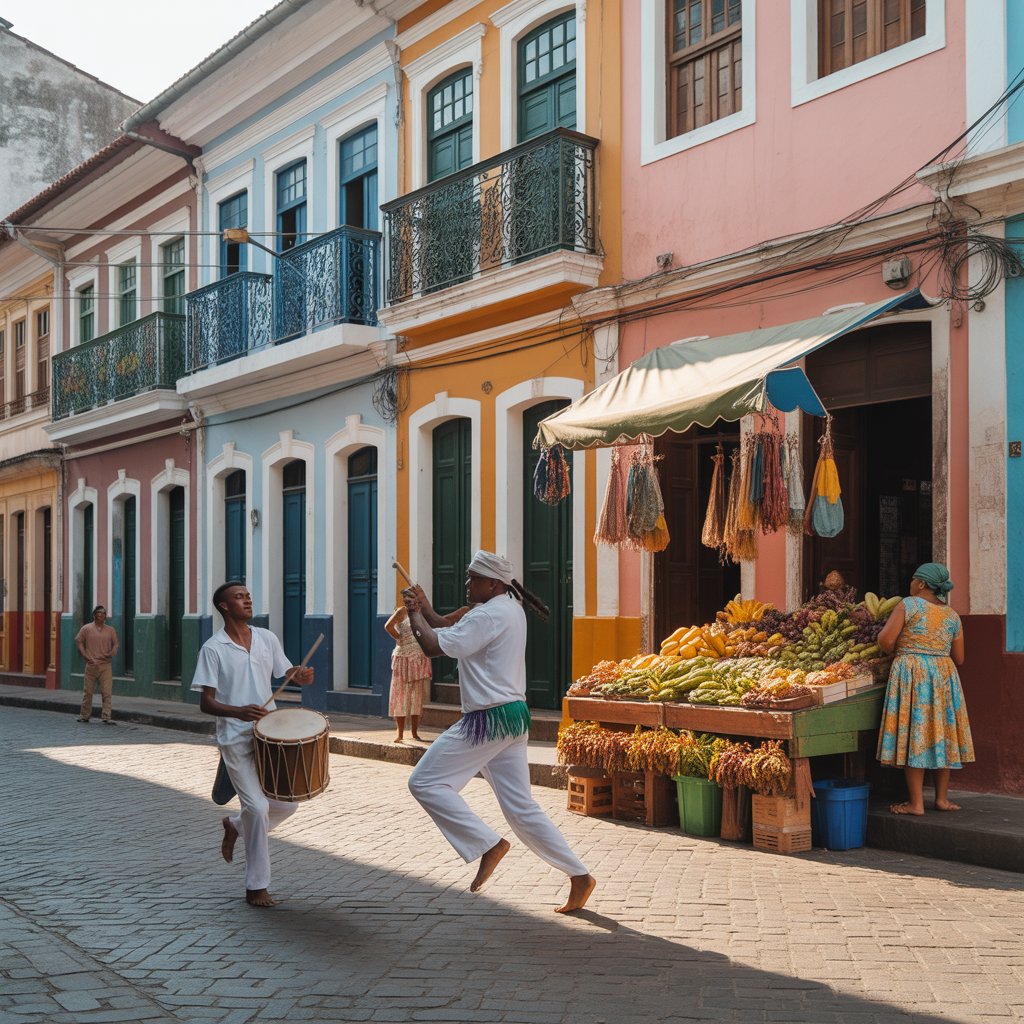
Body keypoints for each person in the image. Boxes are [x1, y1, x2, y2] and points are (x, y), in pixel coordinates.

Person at [403, 551, 596, 914]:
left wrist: (414, 614)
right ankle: (579, 875)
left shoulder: (488, 615)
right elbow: (446, 625)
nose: (466, 583)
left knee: (425, 783)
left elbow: (431, 644)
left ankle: (488, 844)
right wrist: (425, 609)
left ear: (493, 583)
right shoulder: (507, 608)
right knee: (522, 808)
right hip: (512, 717)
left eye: (473, 578)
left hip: (487, 720)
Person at [191, 581, 314, 907]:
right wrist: (238, 712)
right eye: (239, 597)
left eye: (247, 595)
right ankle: (256, 887)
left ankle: (234, 825)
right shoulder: (213, 648)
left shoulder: (266, 638)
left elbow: (285, 670)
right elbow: (206, 702)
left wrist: (299, 674)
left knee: (288, 803)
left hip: (269, 736)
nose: (247, 600)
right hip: (234, 738)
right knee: (258, 808)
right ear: (224, 607)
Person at [876, 562, 975, 816]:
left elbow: (886, 640)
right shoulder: (952, 615)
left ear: (921, 584)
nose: (910, 584)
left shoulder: (908, 605)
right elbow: (960, 658)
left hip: (913, 672)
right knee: (941, 733)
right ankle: (941, 799)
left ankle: (916, 803)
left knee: (916, 733)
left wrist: (903, 651)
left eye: (913, 579)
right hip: (944, 674)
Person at [385, 605, 430, 743]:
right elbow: (388, 626)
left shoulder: (421, 612)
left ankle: (415, 733)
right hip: (403, 658)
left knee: (416, 696)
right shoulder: (401, 611)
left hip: (418, 658)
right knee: (400, 695)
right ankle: (400, 734)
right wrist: (399, 638)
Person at [75, 605, 119, 724]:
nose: (101, 615)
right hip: (91, 664)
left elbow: (116, 643)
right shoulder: (86, 628)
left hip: (106, 665)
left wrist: (113, 652)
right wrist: (85, 655)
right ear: (94, 615)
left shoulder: (110, 630)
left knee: (106, 692)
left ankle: (106, 716)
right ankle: (84, 715)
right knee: (88, 692)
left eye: (104, 613)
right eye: (99, 613)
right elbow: (78, 641)